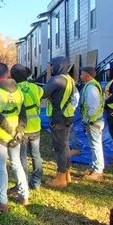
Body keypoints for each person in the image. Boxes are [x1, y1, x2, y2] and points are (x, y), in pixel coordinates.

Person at [0, 62, 29, 211]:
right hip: (16, 135)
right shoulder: (19, 92)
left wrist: (11, 132)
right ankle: (24, 195)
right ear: (8, 74)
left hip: (0, 135)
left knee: (0, 167)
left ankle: (1, 201)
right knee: (16, 163)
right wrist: (19, 131)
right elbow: (23, 114)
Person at [44, 56, 78, 188]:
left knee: (60, 147)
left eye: (52, 65)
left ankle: (60, 177)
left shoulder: (56, 80)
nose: (51, 67)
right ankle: (67, 174)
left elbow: (43, 93)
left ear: (59, 65)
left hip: (59, 117)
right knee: (65, 145)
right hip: (67, 116)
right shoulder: (69, 79)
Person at [13, 64, 44, 192]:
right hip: (36, 125)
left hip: (22, 127)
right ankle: (36, 182)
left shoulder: (14, 89)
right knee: (36, 155)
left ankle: (23, 181)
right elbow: (42, 95)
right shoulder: (36, 88)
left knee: (22, 157)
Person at [79, 65, 106, 180]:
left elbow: (93, 106)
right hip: (93, 120)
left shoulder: (91, 87)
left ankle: (98, 170)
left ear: (87, 75)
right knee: (94, 145)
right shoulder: (91, 85)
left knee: (96, 145)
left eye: (82, 74)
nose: (80, 75)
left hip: (93, 121)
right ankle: (95, 166)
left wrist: (88, 118)